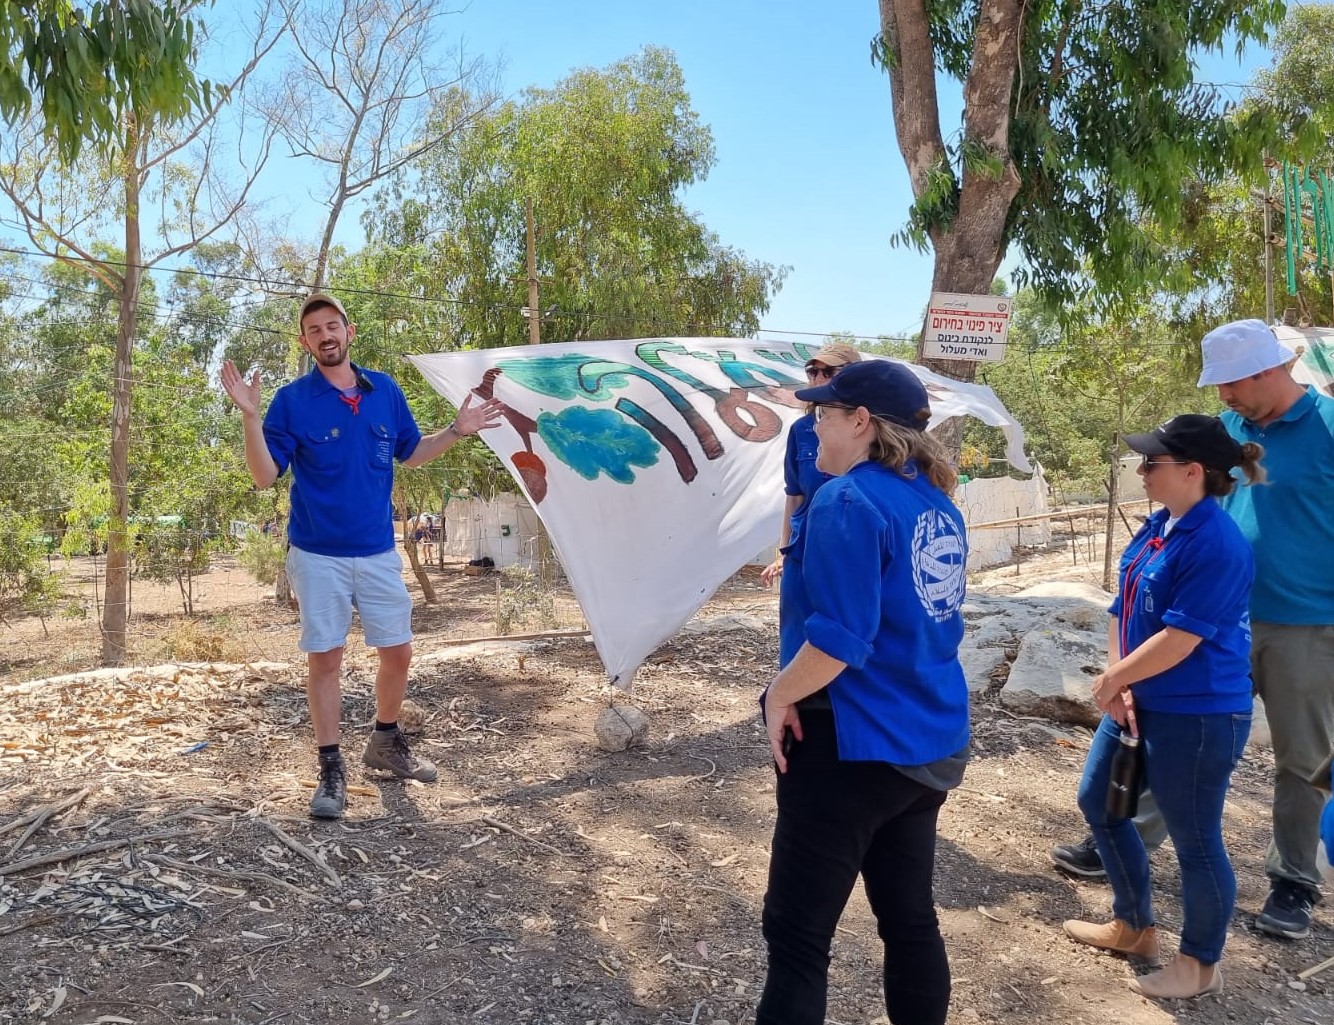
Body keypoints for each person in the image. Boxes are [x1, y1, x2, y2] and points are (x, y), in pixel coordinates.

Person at [1051, 320, 1334, 940]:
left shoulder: (1329, 428)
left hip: (1306, 623)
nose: (1223, 396)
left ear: (1267, 370)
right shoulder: (1225, 430)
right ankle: (1128, 837)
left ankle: (1293, 879)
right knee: (1167, 727)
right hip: (1209, 618)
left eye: (1230, 383)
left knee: (1303, 756)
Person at [220, 293, 503, 819]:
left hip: (377, 552)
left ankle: (385, 741)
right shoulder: (291, 401)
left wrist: (459, 431)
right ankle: (331, 768)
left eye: (333, 326)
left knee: (398, 653)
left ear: (349, 333)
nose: (326, 336)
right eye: (314, 330)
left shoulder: (384, 392)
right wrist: (251, 418)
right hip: (317, 553)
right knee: (326, 660)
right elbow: (264, 477)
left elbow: (412, 453)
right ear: (305, 343)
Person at [756, 360, 970, 1025]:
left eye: (824, 412)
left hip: (853, 743)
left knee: (796, 938)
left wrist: (776, 695)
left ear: (861, 422)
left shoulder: (848, 499)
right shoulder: (935, 501)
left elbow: (841, 642)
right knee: (908, 920)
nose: (812, 423)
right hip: (926, 742)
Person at [1062, 415, 1265, 999]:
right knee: (1099, 803)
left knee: (1195, 839)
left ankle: (1199, 965)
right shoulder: (1159, 525)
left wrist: (1114, 680)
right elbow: (1120, 610)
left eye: (1153, 462)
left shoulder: (1218, 544)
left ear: (1193, 471)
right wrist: (1120, 682)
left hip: (1198, 713)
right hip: (1139, 699)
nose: (1142, 469)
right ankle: (1134, 926)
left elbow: (1182, 638)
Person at [759, 342, 862, 588]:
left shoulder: (875, 430)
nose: (818, 378)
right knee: (796, 626)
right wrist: (784, 554)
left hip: (852, 552)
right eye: (812, 371)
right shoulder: (801, 430)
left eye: (828, 371)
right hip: (803, 552)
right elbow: (794, 496)